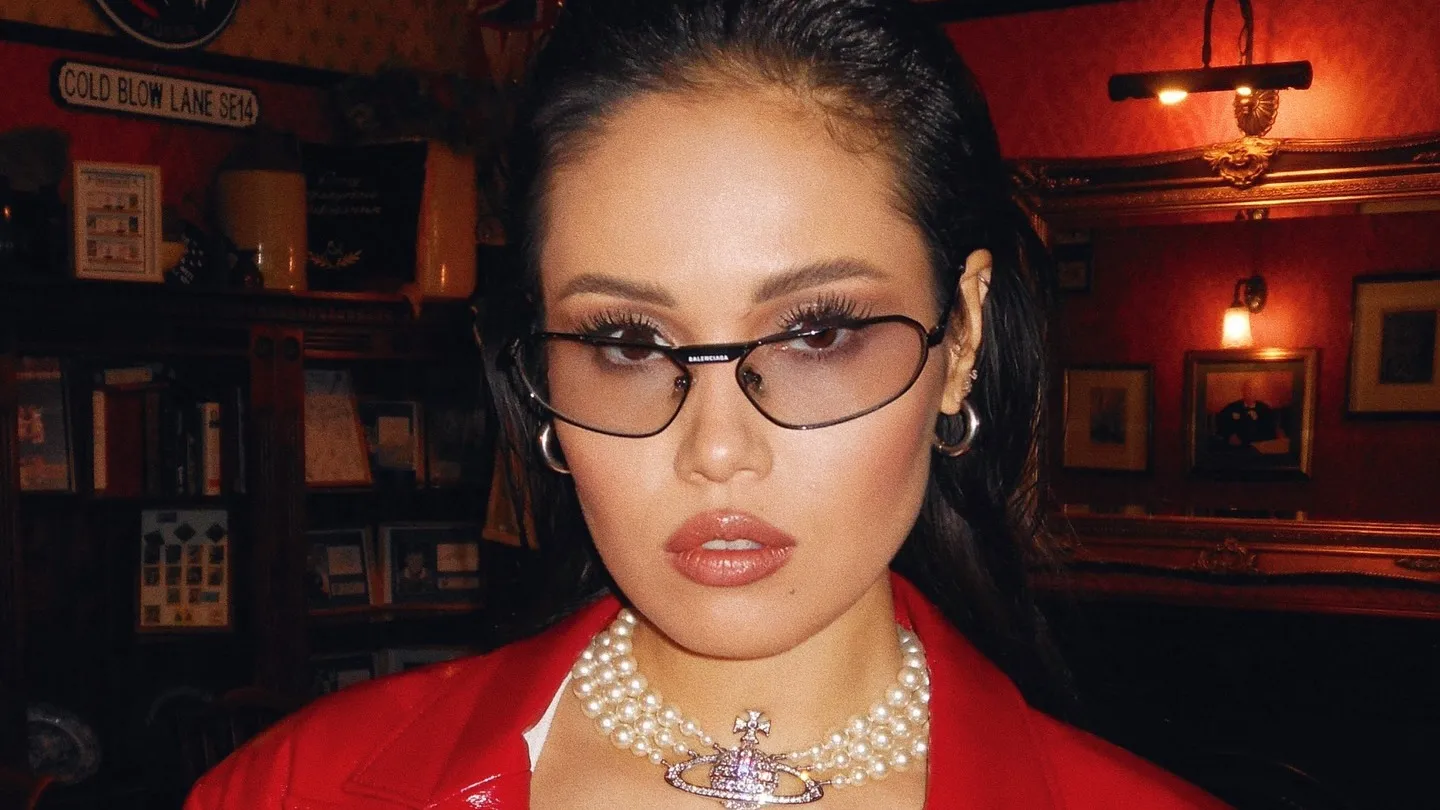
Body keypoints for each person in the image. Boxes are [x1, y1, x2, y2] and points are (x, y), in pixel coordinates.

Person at [186, 1, 1226, 807]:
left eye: (818, 334)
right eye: (626, 344)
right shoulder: (290, 790)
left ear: (963, 339)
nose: (717, 449)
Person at [1215, 379, 1282, 449]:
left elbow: (1270, 430)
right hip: (1236, 447)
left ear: (1256, 392)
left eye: (1253, 390)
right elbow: (1221, 422)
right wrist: (1229, 435)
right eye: (1248, 389)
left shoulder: (1265, 409)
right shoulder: (1233, 406)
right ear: (1243, 391)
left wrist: (1257, 420)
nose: (1250, 392)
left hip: (1257, 446)